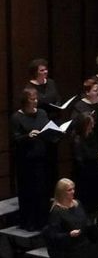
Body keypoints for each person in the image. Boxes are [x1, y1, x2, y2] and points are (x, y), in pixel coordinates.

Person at [12, 88, 57, 231]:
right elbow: (15, 139)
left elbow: (47, 128)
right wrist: (28, 136)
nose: (36, 101)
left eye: (36, 98)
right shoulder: (16, 117)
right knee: (29, 192)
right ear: (25, 101)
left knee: (42, 191)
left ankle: (42, 221)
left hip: (42, 158)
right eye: (32, 99)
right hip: (26, 162)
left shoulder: (42, 113)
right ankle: (29, 222)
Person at [45, 179, 98, 258]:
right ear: (62, 192)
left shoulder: (77, 203)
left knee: (95, 250)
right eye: (69, 190)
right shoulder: (57, 211)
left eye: (73, 189)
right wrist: (69, 234)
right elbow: (53, 235)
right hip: (69, 248)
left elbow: (86, 221)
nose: (73, 192)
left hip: (83, 242)